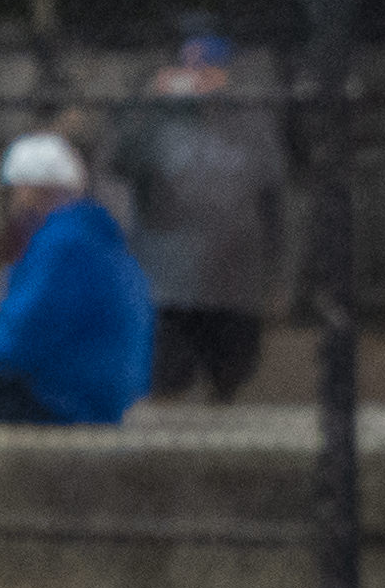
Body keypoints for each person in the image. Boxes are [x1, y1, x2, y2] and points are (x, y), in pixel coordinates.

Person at [0, 132, 152, 427]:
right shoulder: (96, 239)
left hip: (66, 399)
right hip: (101, 393)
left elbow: (20, 335)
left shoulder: (62, 245)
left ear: (30, 191)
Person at [111, 30, 286, 403]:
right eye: (189, 67)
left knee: (228, 380)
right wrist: (148, 102)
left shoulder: (250, 121)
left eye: (208, 68)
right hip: (166, 280)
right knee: (167, 382)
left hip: (234, 277)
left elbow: (272, 199)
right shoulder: (157, 121)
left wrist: (274, 269)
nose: (198, 77)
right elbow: (119, 161)